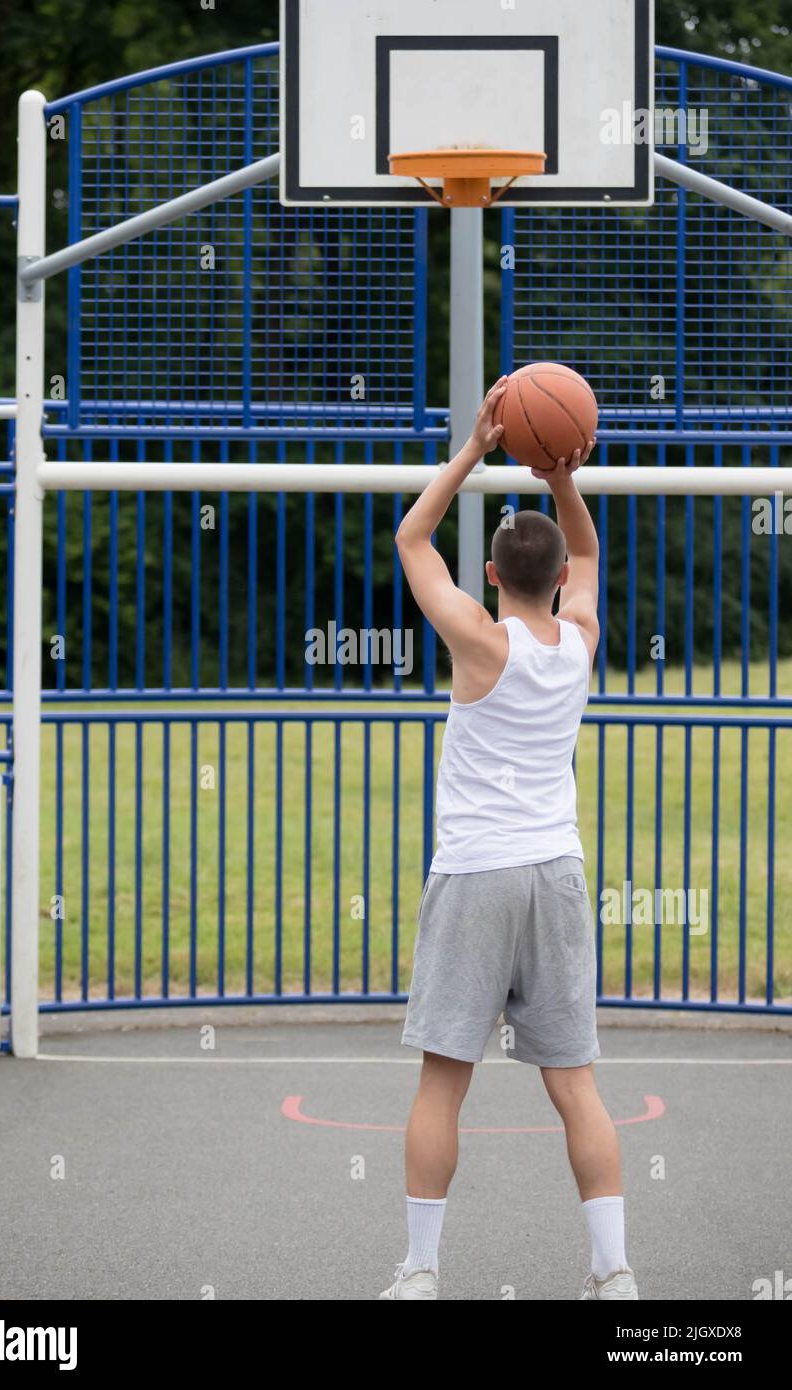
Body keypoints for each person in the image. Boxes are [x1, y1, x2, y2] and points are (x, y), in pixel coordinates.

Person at [379, 377, 637, 1302]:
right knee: (576, 1087)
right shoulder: (580, 638)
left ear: (491, 577)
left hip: (478, 874)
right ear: (557, 577)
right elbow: (589, 547)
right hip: (557, 877)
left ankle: (419, 1272)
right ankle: (613, 1275)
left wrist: (475, 451)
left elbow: (412, 540)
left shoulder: (480, 645)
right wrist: (561, 471)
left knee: (443, 1086)